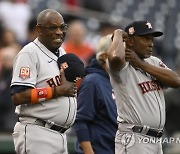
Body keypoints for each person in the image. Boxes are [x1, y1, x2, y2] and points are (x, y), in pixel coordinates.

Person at [10, 9, 78, 154]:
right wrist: (57, 91)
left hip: (60, 135)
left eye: (62, 27)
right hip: (38, 132)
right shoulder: (29, 53)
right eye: (52, 27)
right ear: (39, 30)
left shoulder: (63, 53)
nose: (59, 32)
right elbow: (18, 96)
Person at [107, 20, 180, 154]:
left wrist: (140, 63)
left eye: (151, 39)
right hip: (134, 137)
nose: (151, 43)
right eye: (145, 39)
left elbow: (176, 81)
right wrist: (118, 34)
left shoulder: (154, 61)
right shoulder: (123, 64)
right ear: (130, 41)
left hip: (155, 140)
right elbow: (115, 58)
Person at [73, 35, 118, 154]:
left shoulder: (118, 82)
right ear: (104, 57)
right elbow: (80, 122)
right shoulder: (93, 81)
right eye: (118, 53)